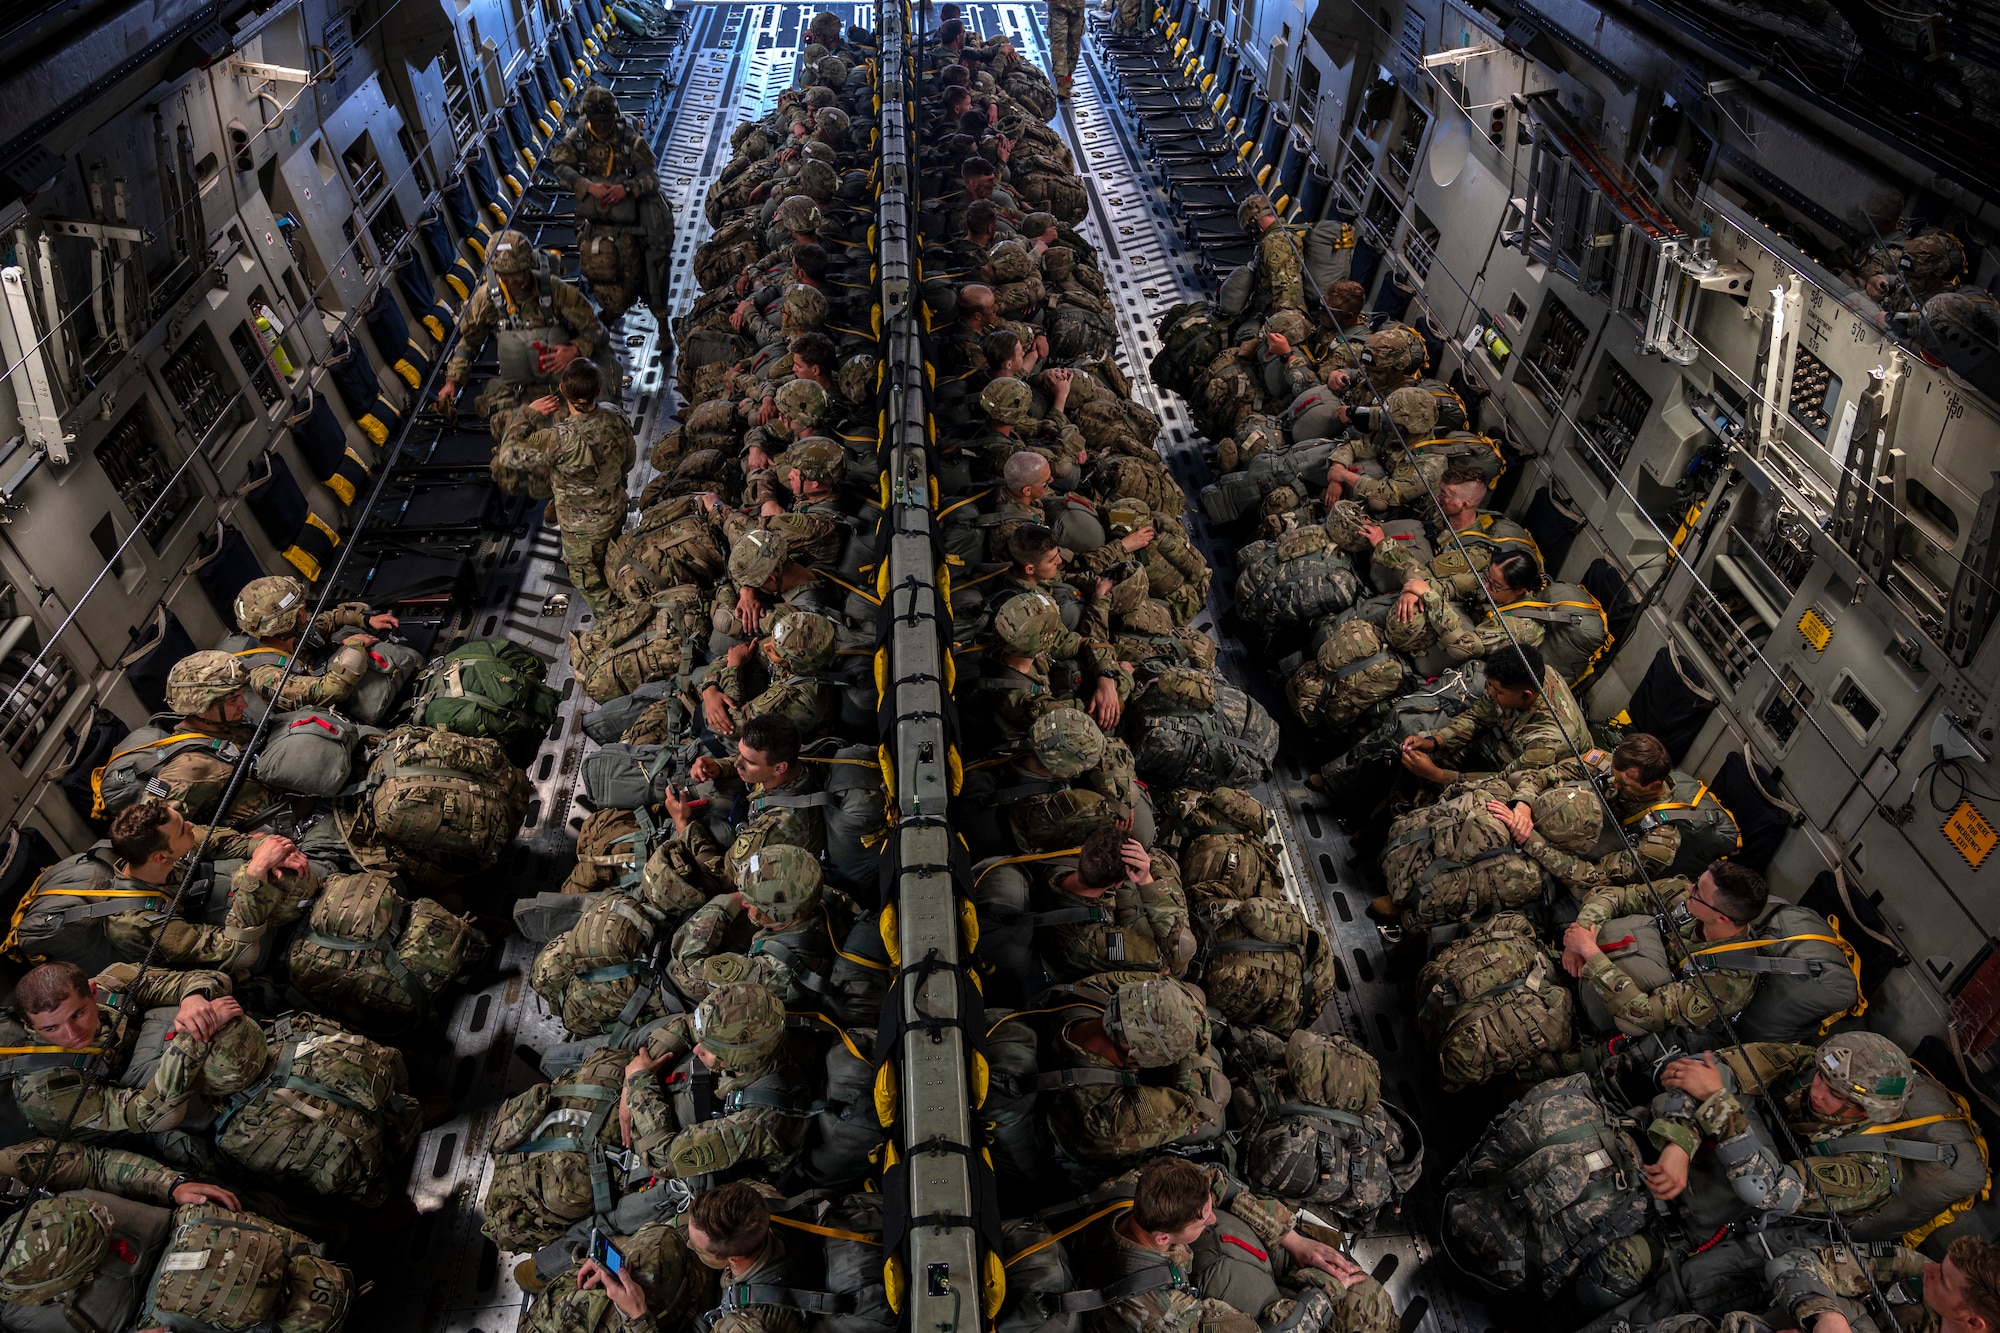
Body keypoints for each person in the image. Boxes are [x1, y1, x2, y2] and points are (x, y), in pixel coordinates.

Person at [1641, 1031, 1985, 1241]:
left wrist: (1718, 1103)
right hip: (1697, 1161)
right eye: (1822, 1078)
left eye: (1836, 1095)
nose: (1818, 1092)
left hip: (1736, 1215)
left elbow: (1766, 1190)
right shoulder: (1811, 1065)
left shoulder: (1867, 1174)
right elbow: (1697, 1070)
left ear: (1866, 1111)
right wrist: (1679, 1145)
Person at [1066, 1155, 1397, 1333]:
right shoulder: (1158, 1315)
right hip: (1190, 1308)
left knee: (1360, 1296)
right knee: (1358, 1310)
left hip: (1204, 1269)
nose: (1211, 1219)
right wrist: (1325, 1291)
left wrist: (1292, 1239)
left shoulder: (1142, 1185)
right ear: (1164, 1238)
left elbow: (1216, 1178)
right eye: (1202, 1220)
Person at [5, 798, 314, 974]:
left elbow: (211, 839)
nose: (191, 825)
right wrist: (257, 871)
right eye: (183, 827)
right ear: (160, 856)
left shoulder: (166, 850)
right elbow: (238, 951)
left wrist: (268, 850)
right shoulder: (137, 923)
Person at [7, 959, 261, 1139]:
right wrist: (194, 1037)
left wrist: (194, 999)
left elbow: (212, 979)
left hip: (156, 1065)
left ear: (93, 992)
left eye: (78, 1014)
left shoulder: (114, 981)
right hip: (132, 1131)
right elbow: (148, 1115)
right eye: (51, 1029)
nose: (72, 1034)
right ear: (28, 1024)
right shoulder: (42, 1089)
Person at [438, 229, 608, 435]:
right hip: (517, 394)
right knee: (512, 456)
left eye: (517, 274)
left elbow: (595, 328)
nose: (512, 282)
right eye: (505, 276)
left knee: (578, 439)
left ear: (528, 265)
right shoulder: (486, 299)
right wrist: (452, 381)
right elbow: (469, 342)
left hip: (564, 389)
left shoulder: (554, 290)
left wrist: (574, 349)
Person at [507, 359, 637, 613]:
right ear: (598, 391)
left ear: (562, 390)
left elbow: (509, 454)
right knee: (615, 560)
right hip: (615, 511)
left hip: (583, 536)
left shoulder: (558, 438)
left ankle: (620, 624)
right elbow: (629, 461)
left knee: (593, 588)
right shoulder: (614, 413)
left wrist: (529, 414)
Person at [550, 85, 673, 319]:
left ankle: (659, 310)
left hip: (632, 207)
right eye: (597, 122)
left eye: (606, 121)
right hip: (597, 212)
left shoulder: (628, 137)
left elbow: (651, 177)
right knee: (600, 261)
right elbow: (561, 168)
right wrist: (587, 186)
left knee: (655, 254)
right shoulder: (577, 138)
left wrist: (626, 188)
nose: (603, 127)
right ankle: (613, 304)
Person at [1398, 642, 1590, 786]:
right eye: (1490, 685)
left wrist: (1438, 775)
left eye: (1498, 692)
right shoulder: (1526, 676)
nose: (1490, 693)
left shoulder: (1548, 741)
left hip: (1535, 773)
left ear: (1526, 695)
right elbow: (1478, 716)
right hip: (1506, 743)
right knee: (1422, 751)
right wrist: (1435, 741)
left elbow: (1508, 781)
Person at [222, 574, 398, 711]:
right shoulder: (267, 679)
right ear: (288, 623)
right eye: (301, 609)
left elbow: (327, 620)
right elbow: (333, 691)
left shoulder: (292, 637)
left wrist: (364, 619)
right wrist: (355, 646)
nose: (305, 607)